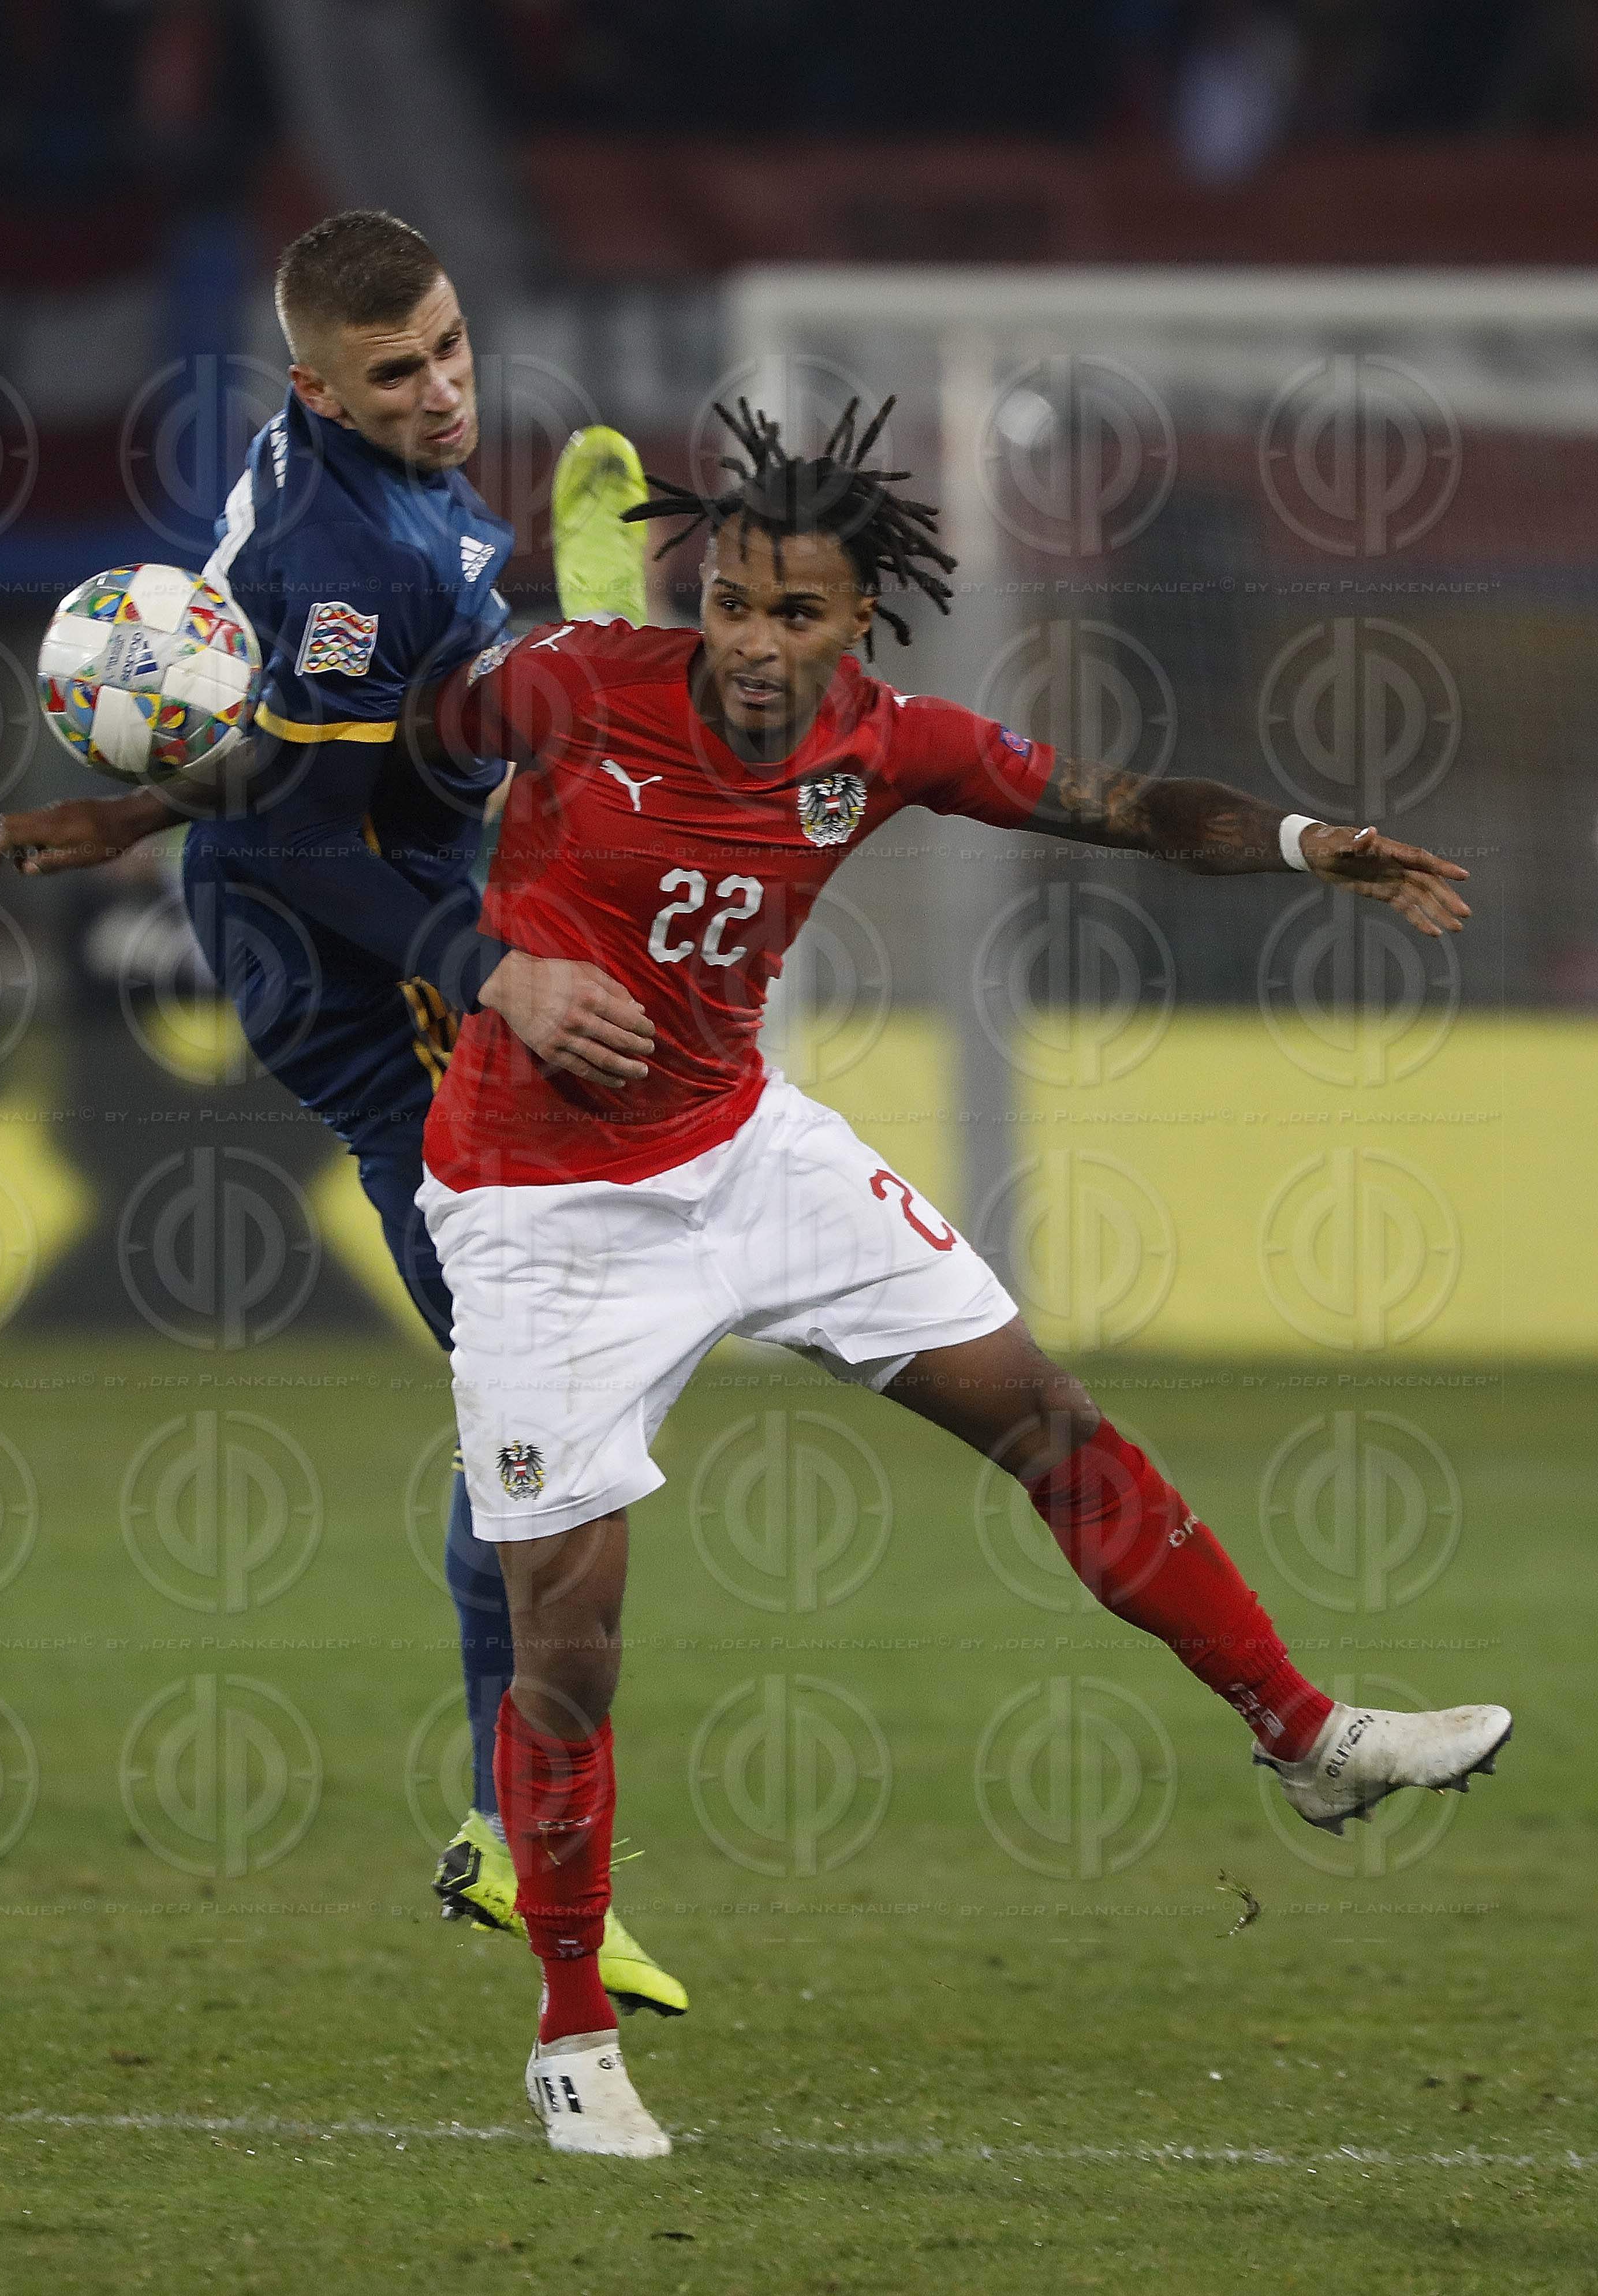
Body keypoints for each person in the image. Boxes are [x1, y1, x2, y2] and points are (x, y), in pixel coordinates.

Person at [399, 398, 1513, 2158]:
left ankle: (1306, 1737)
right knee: (574, 1635)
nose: (759, 646)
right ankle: (569, 2028)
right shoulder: (570, 683)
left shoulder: (883, 739)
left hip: (746, 1153)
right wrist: (479, 958)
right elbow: (379, 768)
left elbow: (1131, 809)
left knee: (1047, 1416)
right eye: (737, 606)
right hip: (537, 1211)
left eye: (799, 616)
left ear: (859, 623)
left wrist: (1309, 844)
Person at [0, 208, 686, 2018]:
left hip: (385, 877)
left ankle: (510, 1817)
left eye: (451, 347)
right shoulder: (332, 542)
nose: (445, 387)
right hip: (335, 958)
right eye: (401, 371)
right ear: (314, 384)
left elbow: (292, 744)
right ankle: (508, 1828)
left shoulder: (373, 493)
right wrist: (480, 964)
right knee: (530, 1384)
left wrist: (123, 815)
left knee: (543, 1381)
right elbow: (293, 828)